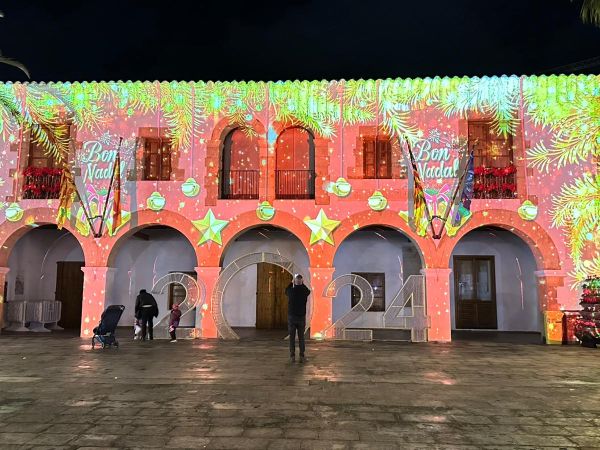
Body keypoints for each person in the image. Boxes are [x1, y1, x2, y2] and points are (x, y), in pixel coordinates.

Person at [285, 274, 311, 363]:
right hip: (301, 317)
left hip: (291, 316)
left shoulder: (291, 291)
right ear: (301, 281)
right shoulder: (304, 291)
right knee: (301, 337)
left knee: (292, 337)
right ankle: (302, 356)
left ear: (295, 282)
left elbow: (286, 290)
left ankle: (292, 356)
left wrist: (292, 282)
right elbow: (308, 291)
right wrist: (302, 283)